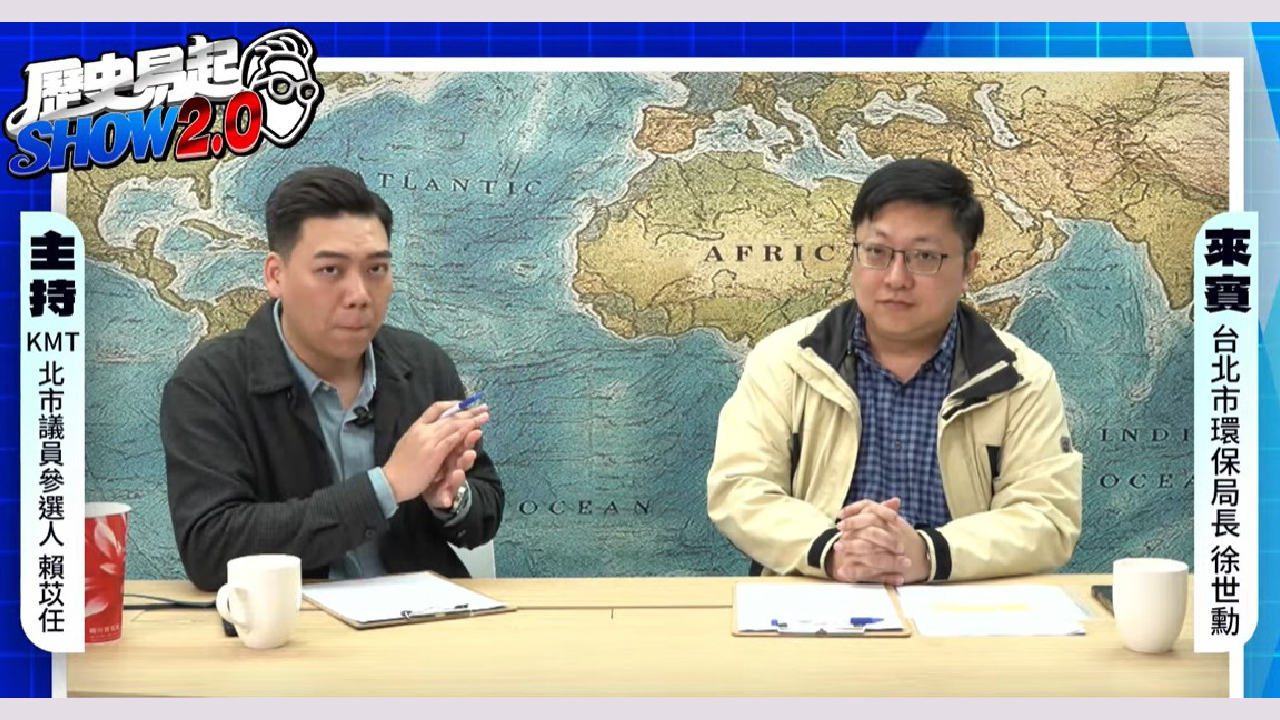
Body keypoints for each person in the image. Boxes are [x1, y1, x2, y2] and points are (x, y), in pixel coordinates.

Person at [706, 158, 1082, 585]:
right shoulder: (785, 361)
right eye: (877, 253)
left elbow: (1047, 518)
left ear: (968, 268)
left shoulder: (1021, 378)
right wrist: (834, 551)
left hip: (962, 604)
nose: (896, 277)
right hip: (816, 596)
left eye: (925, 256)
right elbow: (739, 489)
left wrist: (925, 552)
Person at [160, 166, 503, 591]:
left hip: (422, 618)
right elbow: (211, 549)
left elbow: (484, 510)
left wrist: (452, 498)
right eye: (330, 271)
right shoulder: (208, 385)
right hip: (292, 621)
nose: (359, 295)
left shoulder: (424, 365)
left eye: (376, 269)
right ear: (275, 275)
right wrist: (387, 486)